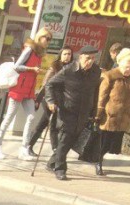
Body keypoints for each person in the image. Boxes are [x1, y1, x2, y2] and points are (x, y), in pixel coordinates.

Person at [43, 44, 102, 180]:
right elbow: (50, 84)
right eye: (87, 58)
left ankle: (51, 163)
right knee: (65, 139)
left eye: (93, 58)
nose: (90, 61)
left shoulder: (96, 71)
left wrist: (94, 111)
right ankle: (60, 169)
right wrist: (51, 101)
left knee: (71, 141)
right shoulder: (68, 70)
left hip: (84, 112)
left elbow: (95, 91)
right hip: (68, 110)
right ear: (80, 57)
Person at [0, 28, 51, 160]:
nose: (48, 41)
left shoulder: (39, 53)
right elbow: (17, 66)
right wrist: (31, 68)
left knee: (31, 117)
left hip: (29, 89)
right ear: (40, 37)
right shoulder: (29, 49)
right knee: (9, 117)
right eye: (46, 38)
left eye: (50, 39)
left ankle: (24, 148)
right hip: (19, 87)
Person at [23, 45, 73, 156]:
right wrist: (40, 100)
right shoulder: (54, 66)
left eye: (69, 54)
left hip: (60, 100)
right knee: (53, 124)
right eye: (65, 54)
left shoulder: (71, 68)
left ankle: (29, 145)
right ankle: (56, 150)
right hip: (49, 99)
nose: (67, 56)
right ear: (60, 55)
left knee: (43, 123)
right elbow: (46, 84)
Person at [94, 47, 130, 174]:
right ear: (120, 63)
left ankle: (100, 158)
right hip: (109, 116)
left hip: (124, 117)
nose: (129, 69)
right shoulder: (110, 76)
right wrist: (98, 114)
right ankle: (98, 162)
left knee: (113, 144)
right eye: (127, 66)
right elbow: (102, 97)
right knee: (104, 143)